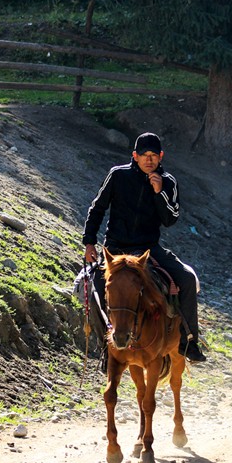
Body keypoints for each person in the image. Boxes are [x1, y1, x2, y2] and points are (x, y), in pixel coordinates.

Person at [83, 132, 206, 363]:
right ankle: (105, 348)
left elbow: (171, 219)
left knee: (187, 278)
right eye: (143, 155)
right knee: (95, 288)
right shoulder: (118, 175)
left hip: (149, 249)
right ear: (134, 156)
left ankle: (188, 341)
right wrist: (89, 241)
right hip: (116, 249)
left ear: (161, 156)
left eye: (153, 155)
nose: (148, 160)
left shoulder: (168, 181)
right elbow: (97, 208)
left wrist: (159, 194)